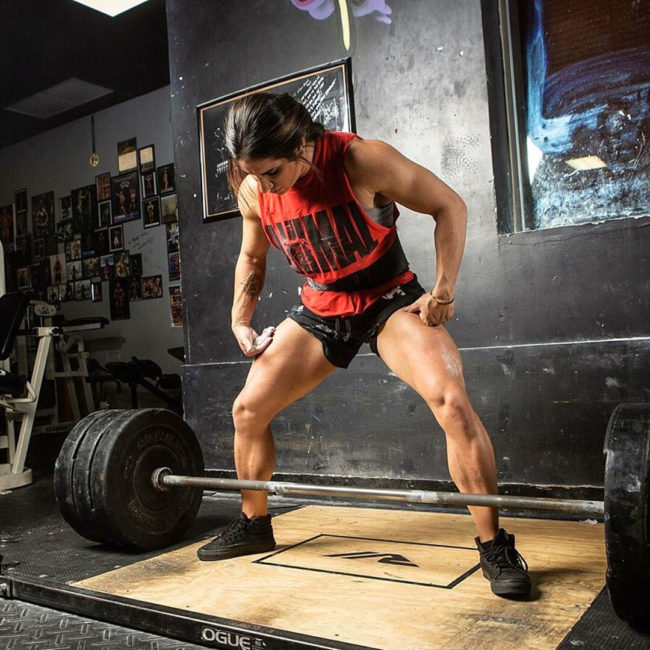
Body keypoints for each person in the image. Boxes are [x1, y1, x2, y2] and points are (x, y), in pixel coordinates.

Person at [196, 92, 531, 598]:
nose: (261, 184)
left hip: (388, 297)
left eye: (270, 173)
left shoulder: (359, 159)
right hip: (322, 304)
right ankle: (254, 522)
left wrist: (443, 291)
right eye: (252, 173)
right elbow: (253, 258)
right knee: (248, 409)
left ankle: (494, 544)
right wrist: (240, 321)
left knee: (452, 403)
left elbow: (449, 205)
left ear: (301, 148)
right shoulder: (252, 189)